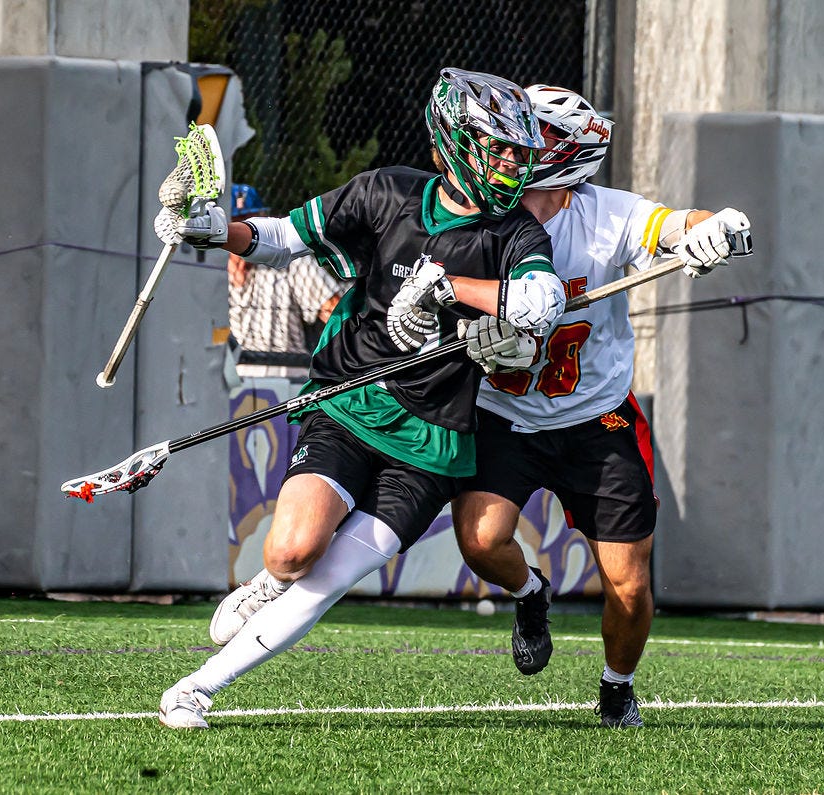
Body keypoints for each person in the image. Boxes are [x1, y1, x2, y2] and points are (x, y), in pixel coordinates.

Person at [153, 67, 567, 729]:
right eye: (501, 148)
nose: (515, 163)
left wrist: (449, 287)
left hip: (432, 443)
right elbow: (282, 238)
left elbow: (544, 300)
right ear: (453, 144)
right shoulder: (386, 193)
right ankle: (268, 582)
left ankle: (194, 690)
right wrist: (211, 229)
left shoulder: (518, 234)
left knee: (329, 577)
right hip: (350, 402)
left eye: (521, 152)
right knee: (290, 552)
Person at [452, 84, 751, 728]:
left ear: (568, 152)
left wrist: (710, 228)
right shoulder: (478, 206)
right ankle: (531, 593)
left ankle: (618, 688)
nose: (512, 148)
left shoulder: (605, 214)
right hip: (504, 414)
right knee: (481, 543)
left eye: (532, 136)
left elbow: (672, 224)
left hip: (596, 418)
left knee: (630, 585)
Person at [226, 183, 343, 380]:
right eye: (236, 221)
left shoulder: (290, 260)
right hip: (232, 377)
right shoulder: (212, 271)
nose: (244, 229)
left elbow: (335, 310)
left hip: (287, 371)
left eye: (250, 220)